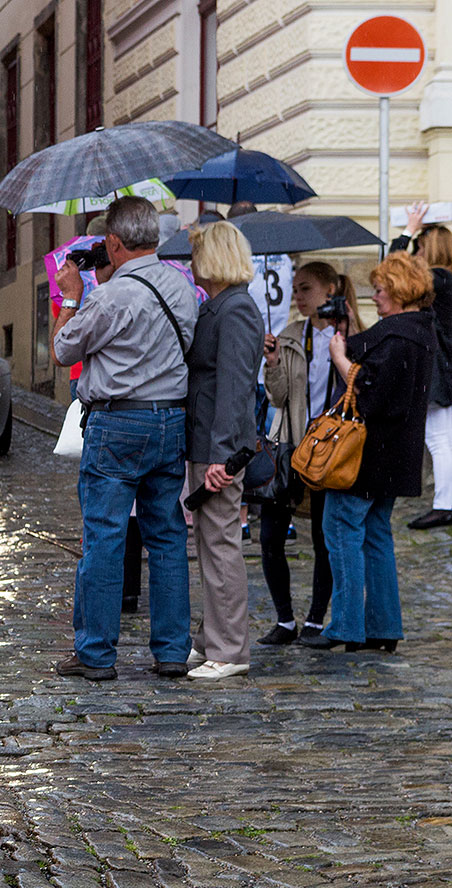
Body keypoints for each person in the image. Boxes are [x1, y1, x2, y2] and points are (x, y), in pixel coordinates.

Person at [50, 196, 198, 681]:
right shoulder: (180, 288)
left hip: (117, 424)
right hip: (170, 420)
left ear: (113, 243)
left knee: (106, 538)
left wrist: (72, 296)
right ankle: (173, 651)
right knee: (169, 537)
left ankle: (96, 654)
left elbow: (62, 348)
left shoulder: (110, 296)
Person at [315, 253, 436, 652]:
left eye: (381, 290)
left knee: (342, 531)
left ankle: (346, 626)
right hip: (395, 454)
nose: (376, 297)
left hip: (366, 455)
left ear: (400, 292)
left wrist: (340, 359)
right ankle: (383, 626)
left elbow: (369, 391)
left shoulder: (398, 335)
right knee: (376, 535)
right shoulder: (420, 330)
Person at [180, 222, 261, 679]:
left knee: (221, 544)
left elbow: (234, 389)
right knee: (210, 546)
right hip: (207, 442)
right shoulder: (222, 307)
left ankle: (230, 650)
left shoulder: (236, 310)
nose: (192, 263)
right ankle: (212, 638)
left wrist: (222, 458)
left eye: (196, 255)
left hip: (218, 447)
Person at [259, 262, 355, 647]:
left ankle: (315, 619)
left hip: (332, 451)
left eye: (306, 289)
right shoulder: (292, 335)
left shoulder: (351, 334)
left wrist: (343, 344)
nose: (297, 297)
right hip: (293, 446)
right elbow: (278, 397)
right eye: (295, 290)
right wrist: (272, 363)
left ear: (331, 289)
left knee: (322, 537)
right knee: (270, 535)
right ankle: (284, 620)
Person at [390, 203, 452, 529]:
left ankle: (445, 505)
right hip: (445, 365)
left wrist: (408, 231)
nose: (416, 253)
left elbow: (393, 271)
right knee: (445, 438)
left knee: (439, 439)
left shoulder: (439, 280)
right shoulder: (444, 281)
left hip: (439, 369)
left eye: (421, 248)